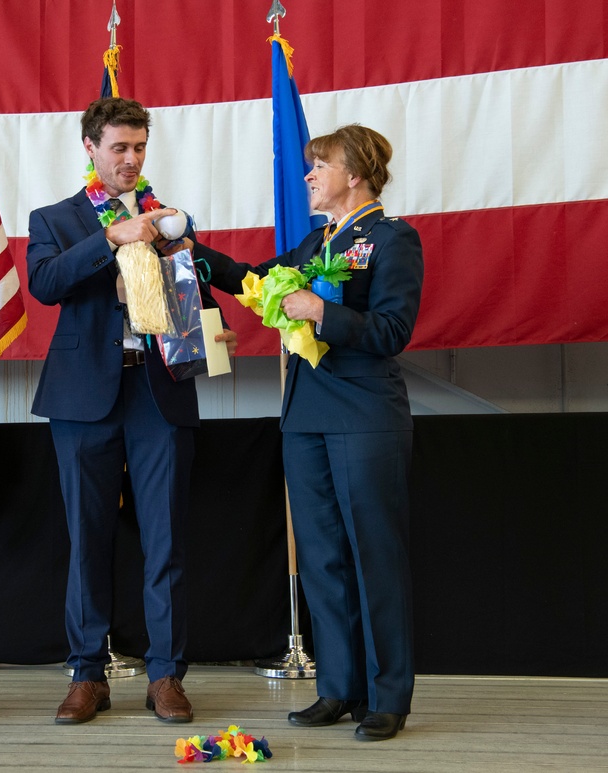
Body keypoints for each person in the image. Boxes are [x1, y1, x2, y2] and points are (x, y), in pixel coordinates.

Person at [199, 124, 423, 741]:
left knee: (374, 555)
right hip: (306, 420)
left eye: (318, 166)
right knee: (322, 560)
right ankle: (339, 688)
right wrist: (191, 250)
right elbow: (254, 277)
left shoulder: (392, 239)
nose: (308, 175)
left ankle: (388, 697)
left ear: (354, 174)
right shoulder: (314, 242)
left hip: (364, 416)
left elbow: (392, 330)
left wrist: (325, 311)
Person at [26, 97, 237, 725]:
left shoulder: (168, 218)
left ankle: (165, 674)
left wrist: (218, 326)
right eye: (119, 147)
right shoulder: (56, 217)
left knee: (166, 541)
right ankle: (87, 674)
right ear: (90, 147)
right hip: (82, 397)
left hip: (158, 393)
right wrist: (108, 237)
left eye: (139, 147)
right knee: (87, 540)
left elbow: (200, 280)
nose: (130, 159)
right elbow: (44, 283)